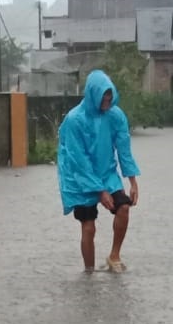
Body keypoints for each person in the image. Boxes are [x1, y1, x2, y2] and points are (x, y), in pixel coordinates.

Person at [57, 69, 140, 272]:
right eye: (104, 98)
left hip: (106, 172)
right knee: (88, 227)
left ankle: (114, 256)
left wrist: (132, 181)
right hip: (78, 177)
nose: (108, 103)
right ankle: (89, 273)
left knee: (124, 208)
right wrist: (99, 191)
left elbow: (124, 149)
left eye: (110, 98)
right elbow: (79, 160)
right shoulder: (75, 119)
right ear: (93, 95)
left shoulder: (115, 115)